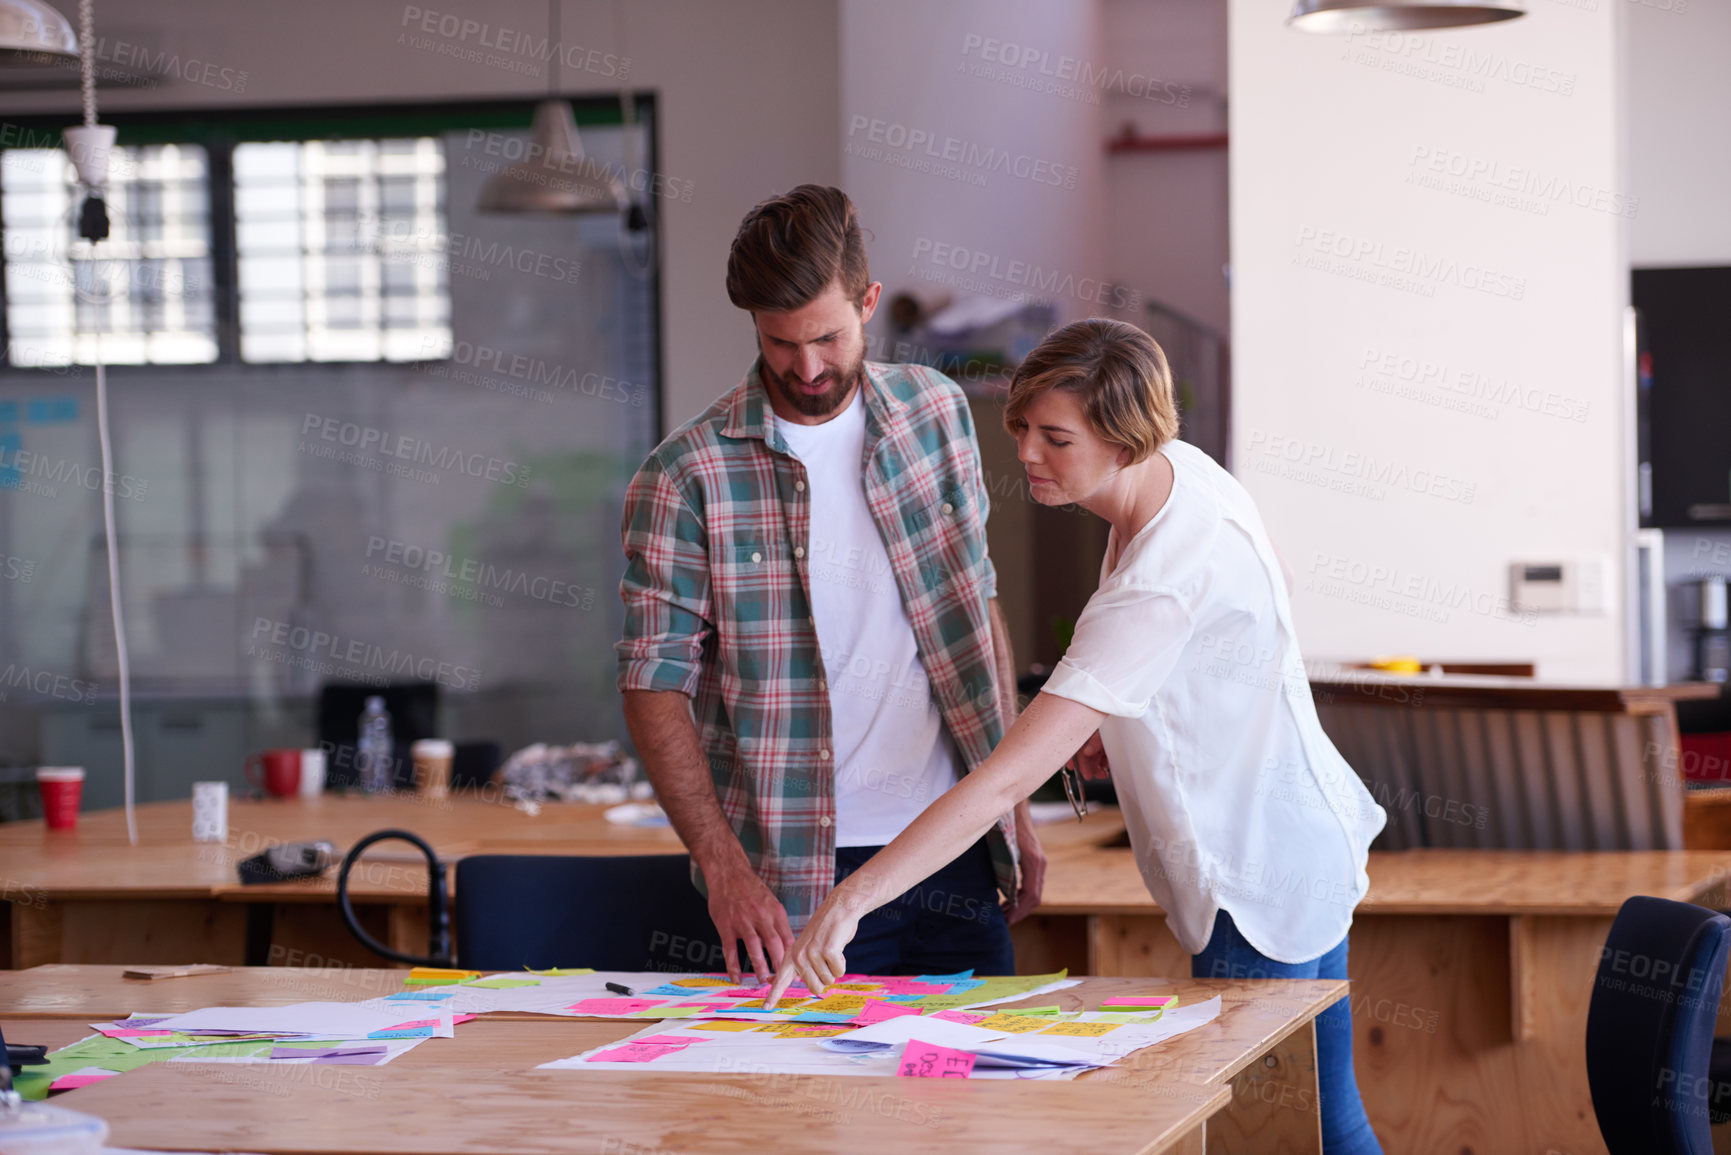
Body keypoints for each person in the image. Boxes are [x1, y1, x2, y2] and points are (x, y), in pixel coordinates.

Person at [767, 318, 1388, 1154]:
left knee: (1261, 1135)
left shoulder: (1154, 580)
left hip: (1253, 877)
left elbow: (996, 784)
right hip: (1299, 845)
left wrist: (851, 898)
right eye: (1021, 427)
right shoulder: (1184, 477)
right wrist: (1128, 717)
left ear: (1125, 438)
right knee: (1327, 1123)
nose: (1027, 453)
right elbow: (1240, 639)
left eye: (1056, 438)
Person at [616, 184, 1045, 986]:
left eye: (826, 337)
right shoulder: (685, 475)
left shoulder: (937, 413)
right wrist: (722, 867)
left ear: (869, 303)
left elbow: (974, 604)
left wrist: (1011, 808)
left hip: (950, 853)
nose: (806, 368)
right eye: (780, 343)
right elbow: (652, 681)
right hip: (789, 883)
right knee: (806, 1108)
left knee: (979, 1103)